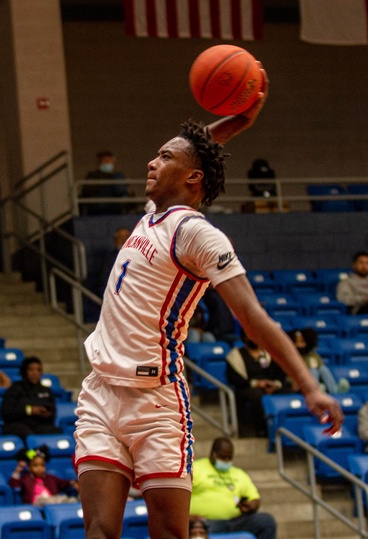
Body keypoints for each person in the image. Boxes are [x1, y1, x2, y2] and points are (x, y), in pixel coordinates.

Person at [73, 72, 343, 539]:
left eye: (164, 157)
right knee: (98, 529)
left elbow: (253, 317)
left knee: (171, 534)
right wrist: (237, 122)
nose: (152, 161)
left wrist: (308, 385)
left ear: (192, 176)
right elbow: (195, 147)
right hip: (100, 391)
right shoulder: (153, 214)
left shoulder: (196, 233)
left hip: (156, 400)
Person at [190, 437, 277, 539]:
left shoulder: (239, 474)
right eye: (223, 457)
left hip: (236, 521)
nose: (226, 461)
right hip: (207, 523)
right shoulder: (196, 468)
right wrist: (189, 517)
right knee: (197, 527)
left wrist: (251, 505)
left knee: (266, 522)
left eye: (229, 458)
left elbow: (255, 499)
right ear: (212, 454)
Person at [226, 329, 292, 438]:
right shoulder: (236, 355)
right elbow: (234, 378)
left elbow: (280, 375)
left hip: (270, 386)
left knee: (287, 392)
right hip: (248, 387)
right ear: (245, 338)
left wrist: (275, 384)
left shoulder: (267, 353)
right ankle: (264, 430)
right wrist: (256, 383)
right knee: (257, 396)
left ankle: (288, 428)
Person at [1, 356, 62, 442]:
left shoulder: (46, 391)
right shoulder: (14, 389)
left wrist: (47, 413)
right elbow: (7, 412)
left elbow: (52, 412)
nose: (35, 373)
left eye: (38, 370)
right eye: (31, 370)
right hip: (19, 424)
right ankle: (31, 454)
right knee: (26, 433)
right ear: (25, 371)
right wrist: (30, 410)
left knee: (56, 431)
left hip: (40, 425)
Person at [9, 445, 79, 505]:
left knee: (62, 498)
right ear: (29, 467)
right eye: (35, 466)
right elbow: (14, 483)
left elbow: (63, 483)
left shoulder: (51, 478)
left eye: (42, 465)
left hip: (52, 502)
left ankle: (73, 502)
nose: (39, 468)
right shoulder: (25, 479)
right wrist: (18, 469)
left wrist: (73, 482)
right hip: (36, 503)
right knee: (46, 500)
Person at [287, 328, 349, 394]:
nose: (302, 345)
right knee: (312, 371)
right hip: (300, 384)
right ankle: (314, 391)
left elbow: (321, 368)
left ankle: (334, 390)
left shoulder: (313, 355)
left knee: (322, 369)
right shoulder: (291, 356)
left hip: (317, 383)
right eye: (299, 342)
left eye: (303, 342)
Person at [80, 150, 132, 215]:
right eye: (106, 161)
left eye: (110, 161)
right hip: (99, 206)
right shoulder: (92, 176)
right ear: (99, 162)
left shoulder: (118, 176)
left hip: (116, 206)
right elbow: (89, 191)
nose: (109, 163)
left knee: (119, 177)